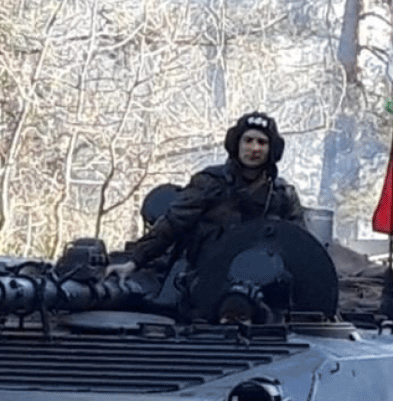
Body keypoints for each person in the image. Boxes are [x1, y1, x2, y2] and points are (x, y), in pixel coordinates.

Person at [106, 112, 305, 278]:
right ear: (236, 144)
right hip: (208, 280)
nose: (254, 148)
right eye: (248, 140)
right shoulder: (209, 183)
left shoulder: (283, 195)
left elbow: (300, 244)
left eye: (262, 142)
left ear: (272, 149)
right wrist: (134, 262)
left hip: (265, 283)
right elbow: (172, 224)